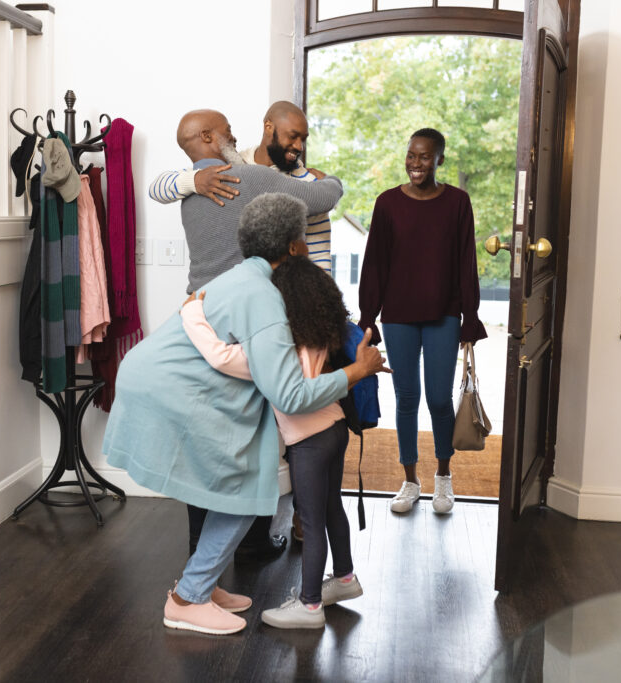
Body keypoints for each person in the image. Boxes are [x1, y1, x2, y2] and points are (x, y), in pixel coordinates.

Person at [103, 193, 387, 635]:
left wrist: (192, 315)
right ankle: (187, 599)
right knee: (243, 492)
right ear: (295, 246)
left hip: (158, 380)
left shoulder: (239, 278)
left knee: (233, 489)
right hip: (174, 392)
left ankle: (202, 583)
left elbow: (237, 358)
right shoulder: (266, 301)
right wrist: (354, 372)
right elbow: (290, 393)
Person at [166, 108, 345, 560]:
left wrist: (188, 179)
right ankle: (249, 546)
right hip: (246, 320)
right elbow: (324, 196)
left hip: (201, 319)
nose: (233, 133)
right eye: (225, 128)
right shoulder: (252, 179)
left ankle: (197, 546)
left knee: (206, 439)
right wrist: (329, 181)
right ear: (207, 137)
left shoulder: (188, 193)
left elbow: (163, 186)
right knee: (254, 436)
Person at [181, 254, 380, 629]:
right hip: (336, 429)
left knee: (311, 517)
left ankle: (308, 607)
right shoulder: (322, 332)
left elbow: (221, 356)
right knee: (331, 506)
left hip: (309, 441)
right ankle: (345, 579)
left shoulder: (277, 348)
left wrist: (192, 313)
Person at [358, 128, 487, 515]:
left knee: (438, 399)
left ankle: (443, 478)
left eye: (425, 157)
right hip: (398, 315)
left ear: (439, 160)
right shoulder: (387, 204)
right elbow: (375, 264)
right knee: (406, 398)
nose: (416, 163)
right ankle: (410, 481)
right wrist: (368, 316)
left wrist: (471, 317)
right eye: (411, 156)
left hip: (444, 313)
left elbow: (467, 262)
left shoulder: (458, 203)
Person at [149, 101, 335, 273]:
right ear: (268, 127)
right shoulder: (229, 168)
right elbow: (156, 188)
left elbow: (319, 252)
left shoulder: (309, 182)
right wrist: (194, 180)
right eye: (293, 136)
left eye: (303, 139)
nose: (299, 146)